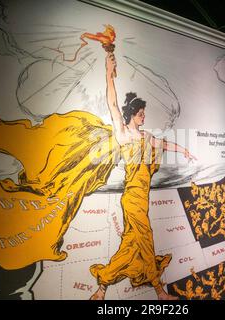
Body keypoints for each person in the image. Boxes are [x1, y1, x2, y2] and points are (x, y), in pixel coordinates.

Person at [89, 52, 196, 300]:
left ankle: (101, 288)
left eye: (144, 114)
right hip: (132, 199)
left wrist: (185, 150)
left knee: (130, 246)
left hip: (142, 198)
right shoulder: (124, 134)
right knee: (146, 241)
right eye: (141, 114)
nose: (144, 117)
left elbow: (164, 144)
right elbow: (112, 104)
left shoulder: (147, 137)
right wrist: (109, 72)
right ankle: (160, 291)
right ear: (132, 114)